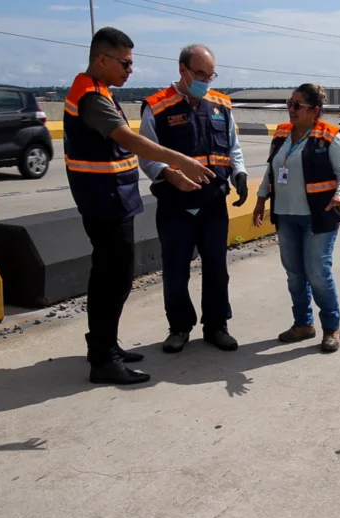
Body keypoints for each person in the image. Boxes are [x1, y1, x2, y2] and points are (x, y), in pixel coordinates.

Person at [64, 28, 214, 385]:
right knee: (111, 279)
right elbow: (130, 140)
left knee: (113, 276)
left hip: (112, 197)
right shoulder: (92, 97)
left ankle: (105, 344)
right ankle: (104, 359)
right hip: (103, 200)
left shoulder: (98, 90)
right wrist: (181, 160)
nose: (130, 70)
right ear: (102, 59)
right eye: (125, 63)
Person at [138, 44, 248, 354]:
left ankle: (216, 325)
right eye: (200, 74)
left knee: (216, 268)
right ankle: (179, 327)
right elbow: (146, 154)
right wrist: (167, 174)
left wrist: (239, 173)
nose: (206, 81)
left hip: (213, 203)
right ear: (182, 70)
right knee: (176, 270)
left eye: (210, 75)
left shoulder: (221, 104)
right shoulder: (157, 106)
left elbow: (233, 147)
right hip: (176, 205)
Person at [252, 84, 340, 352]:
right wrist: (261, 199)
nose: (291, 109)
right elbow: (272, 169)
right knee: (295, 274)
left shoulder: (330, 137)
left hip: (319, 216)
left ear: (314, 110)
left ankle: (331, 327)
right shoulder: (282, 133)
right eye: (290, 103)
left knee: (317, 272)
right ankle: (303, 324)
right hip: (286, 215)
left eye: (298, 105)